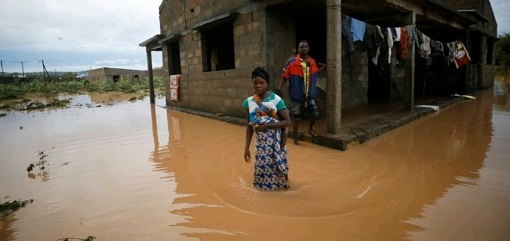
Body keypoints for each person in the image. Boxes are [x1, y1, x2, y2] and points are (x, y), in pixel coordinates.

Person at [243, 67, 291, 190]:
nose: (258, 86)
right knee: (262, 171)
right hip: (260, 145)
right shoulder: (249, 102)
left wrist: (268, 126)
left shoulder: (276, 99)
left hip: (276, 143)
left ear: (267, 84)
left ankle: (282, 193)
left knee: (279, 170)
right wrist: (246, 148)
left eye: (261, 83)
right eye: (255, 83)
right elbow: (249, 127)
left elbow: (287, 122)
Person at [279, 40, 325, 145]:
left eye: (305, 47)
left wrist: (323, 67)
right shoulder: (292, 62)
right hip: (296, 95)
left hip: (309, 95)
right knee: (296, 117)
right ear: (298, 49)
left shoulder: (312, 62)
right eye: (301, 47)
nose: (303, 48)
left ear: (308, 48)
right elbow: (285, 77)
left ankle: (310, 129)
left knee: (315, 113)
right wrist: (278, 89)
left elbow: (315, 73)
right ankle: (295, 139)